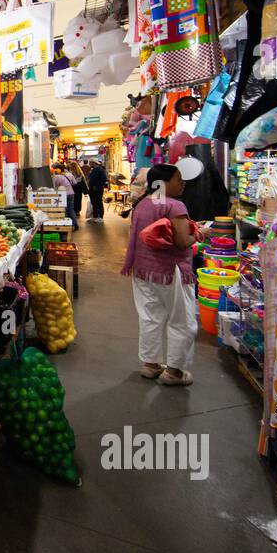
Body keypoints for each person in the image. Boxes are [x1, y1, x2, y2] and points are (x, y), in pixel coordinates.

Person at [121, 163, 207, 386]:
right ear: (163, 183)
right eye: (178, 179)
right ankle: (174, 372)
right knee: (182, 320)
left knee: (150, 316)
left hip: (142, 270)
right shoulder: (174, 206)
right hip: (171, 271)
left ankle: (150, 365)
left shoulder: (142, 205)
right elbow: (181, 241)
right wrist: (199, 234)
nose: (182, 183)